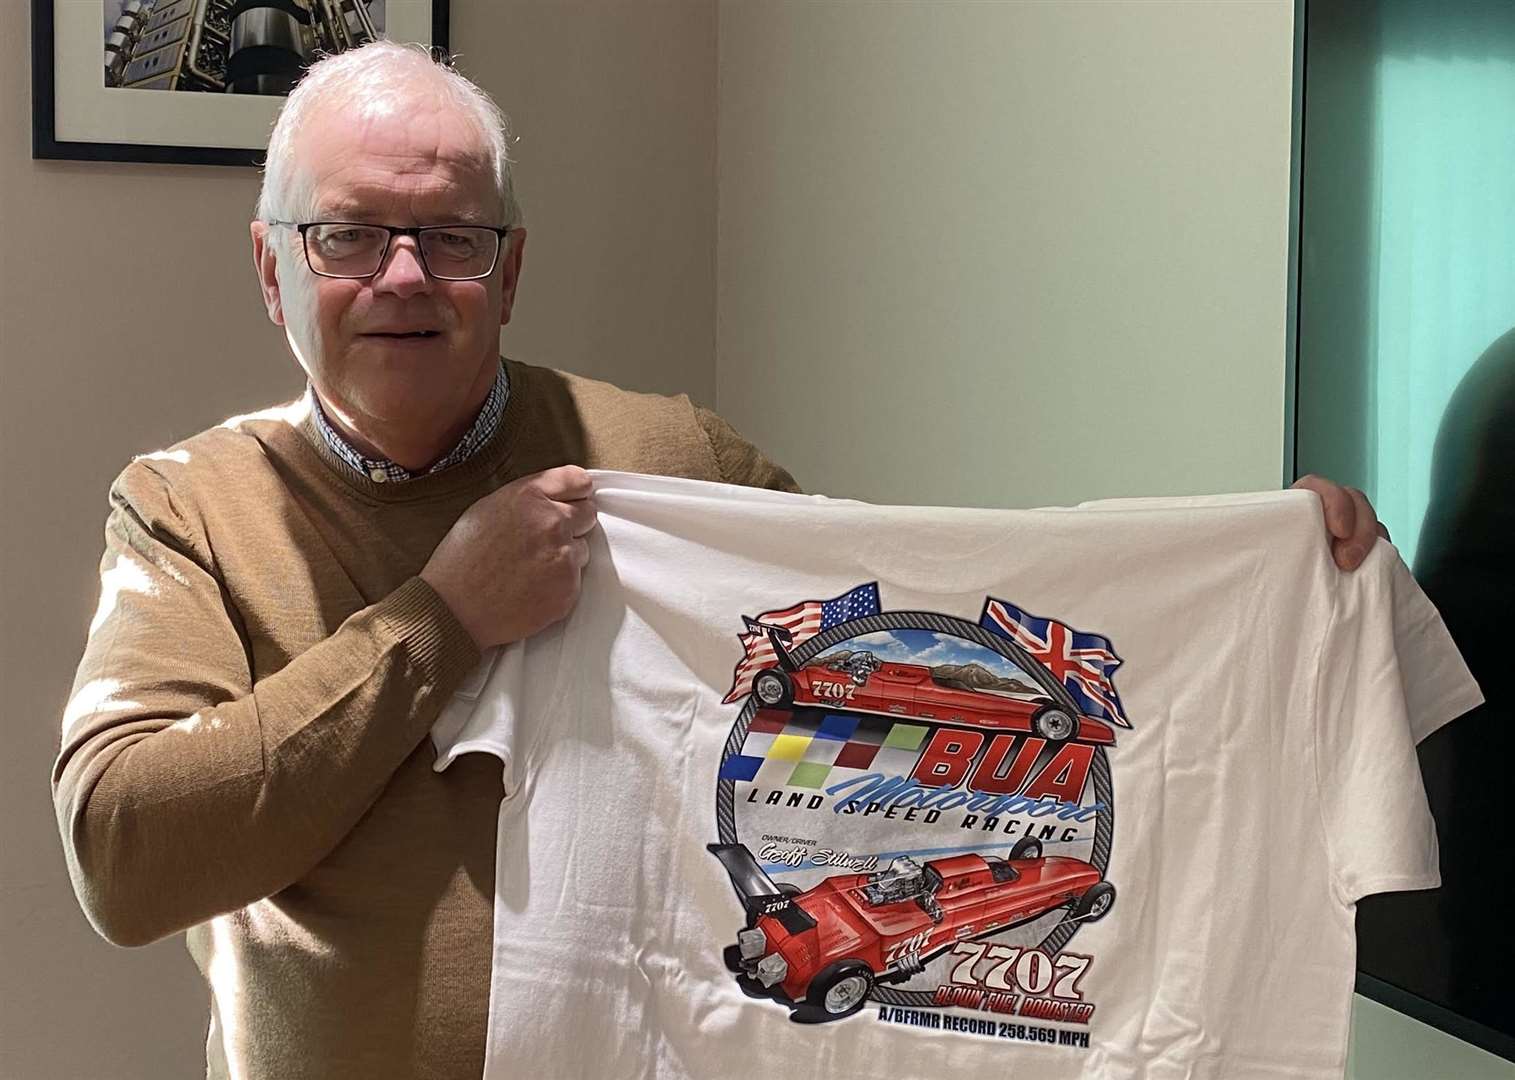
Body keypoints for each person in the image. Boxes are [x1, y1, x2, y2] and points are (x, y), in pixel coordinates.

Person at [50, 41, 1385, 1080]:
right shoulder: (191, 509)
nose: (405, 274)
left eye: (454, 237)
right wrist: (440, 619)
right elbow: (126, 858)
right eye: (349, 233)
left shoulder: (663, 461)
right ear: (274, 270)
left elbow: (922, 641)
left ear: (508, 274)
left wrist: (1267, 572)